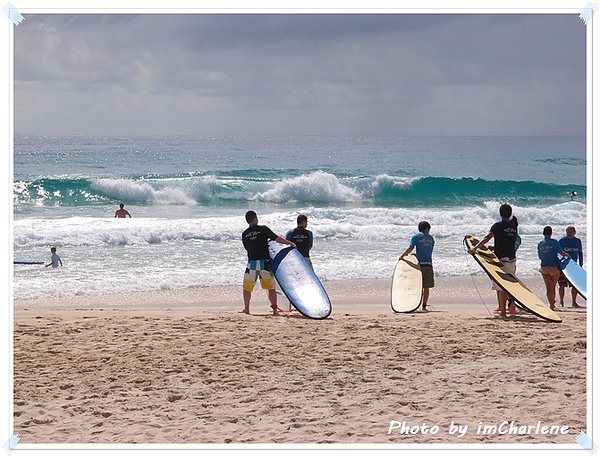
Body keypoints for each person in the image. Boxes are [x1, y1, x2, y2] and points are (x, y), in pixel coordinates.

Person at [241, 210, 295, 315]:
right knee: (270, 288)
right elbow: (277, 239)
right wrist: (290, 243)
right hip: (264, 263)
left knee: (247, 288)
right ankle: (275, 310)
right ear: (256, 218)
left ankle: (247, 309)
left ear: (247, 221)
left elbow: (247, 248)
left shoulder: (245, 234)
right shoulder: (263, 229)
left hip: (251, 263)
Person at [469, 204, 518, 318]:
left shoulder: (497, 226)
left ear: (500, 214)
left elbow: (487, 238)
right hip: (512, 259)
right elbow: (507, 242)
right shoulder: (514, 226)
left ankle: (503, 312)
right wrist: (494, 248)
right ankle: (511, 305)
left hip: (501, 260)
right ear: (510, 214)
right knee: (510, 284)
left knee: (501, 286)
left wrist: (475, 248)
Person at [399, 221, 435, 312]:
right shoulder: (431, 239)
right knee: (426, 287)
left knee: (416, 286)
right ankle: (424, 306)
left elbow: (411, 248)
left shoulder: (416, 237)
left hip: (419, 265)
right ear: (428, 228)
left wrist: (402, 256)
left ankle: (412, 304)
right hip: (429, 264)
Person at [537, 226, 568, 310]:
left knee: (548, 287)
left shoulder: (540, 243)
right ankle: (552, 303)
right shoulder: (555, 242)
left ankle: (551, 304)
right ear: (551, 233)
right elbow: (561, 252)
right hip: (554, 267)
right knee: (553, 286)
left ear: (543, 233)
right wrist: (569, 257)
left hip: (544, 267)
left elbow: (540, 256)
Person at [558, 226, 584, 308]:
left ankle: (574, 302)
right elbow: (558, 253)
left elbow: (580, 253)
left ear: (574, 232)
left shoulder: (578, 241)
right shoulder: (562, 241)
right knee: (562, 285)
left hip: (574, 267)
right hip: (564, 267)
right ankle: (561, 302)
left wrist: (581, 264)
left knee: (575, 286)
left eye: (570, 232)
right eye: (567, 232)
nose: (569, 233)